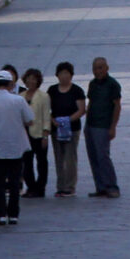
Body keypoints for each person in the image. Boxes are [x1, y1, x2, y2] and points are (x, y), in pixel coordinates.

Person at [0, 69, 35, 226]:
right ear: (11, 84)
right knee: (15, 182)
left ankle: (0, 215)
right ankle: (13, 215)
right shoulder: (19, 100)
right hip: (16, 147)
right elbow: (30, 120)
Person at [84, 54, 122, 198]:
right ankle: (100, 187)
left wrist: (113, 127)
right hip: (91, 125)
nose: (97, 71)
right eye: (95, 68)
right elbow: (90, 103)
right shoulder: (92, 84)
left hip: (103, 125)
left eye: (100, 68)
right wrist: (86, 124)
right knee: (93, 157)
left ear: (107, 68)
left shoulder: (113, 84)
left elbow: (117, 106)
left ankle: (112, 186)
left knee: (103, 157)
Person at [48, 61, 84, 195]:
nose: (64, 76)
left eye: (66, 73)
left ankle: (70, 186)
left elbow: (81, 110)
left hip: (72, 129)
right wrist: (53, 120)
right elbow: (46, 108)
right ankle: (60, 186)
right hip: (56, 129)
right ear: (57, 75)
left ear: (71, 75)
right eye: (61, 73)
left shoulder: (77, 91)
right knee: (59, 157)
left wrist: (68, 120)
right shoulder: (52, 90)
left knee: (70, 158)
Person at [21, 66, 50, 196]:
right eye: (29, 78)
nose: (31, 81)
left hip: (39, 134)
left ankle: (40, 188)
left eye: (34, 79)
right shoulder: (21, 96)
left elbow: (46, 116)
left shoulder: (44, 96)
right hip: (24, 134)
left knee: (41, 162)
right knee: (27, 162)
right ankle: (31, 187)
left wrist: (45, 135)